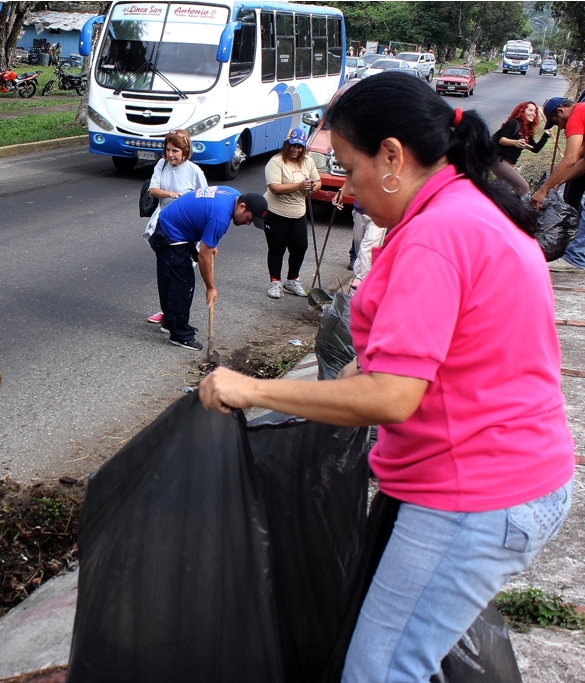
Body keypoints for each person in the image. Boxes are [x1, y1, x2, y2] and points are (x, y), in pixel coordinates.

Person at [198, 73, 575, 683]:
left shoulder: (436, 236)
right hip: (508, 475)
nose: (344, 189)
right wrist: (345, 378)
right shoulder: (466, 208)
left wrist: (253, 389)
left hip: (473, 491)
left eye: (348, 169)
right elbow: (428, 354)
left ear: (393, 156)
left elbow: (393, 396)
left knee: (382, 670)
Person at [149, 188, 267, 350]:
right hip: (172, 232)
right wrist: (210, 288)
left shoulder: (232, 195)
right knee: (181, 284)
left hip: (177, 225)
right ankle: (179, 334)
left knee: (173, 278)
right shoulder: (220, 217)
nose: (248, 223)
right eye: (250, 219)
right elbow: (204, 257)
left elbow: (205, 217)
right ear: (242, 207)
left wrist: (210, 243)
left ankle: (172, 322)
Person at [144, 129, 208, 326]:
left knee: (181, 277)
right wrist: (172, 194)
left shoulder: (194, 171)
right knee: (165, 273)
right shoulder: (161, 165)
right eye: (168, 150)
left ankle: (176, 318)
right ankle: (167, 313)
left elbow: (204, 198)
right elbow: (152, 189)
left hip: (185, 231)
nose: (170, 154)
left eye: (175, 151)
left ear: (185, 151)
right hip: (163, 227)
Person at [263, 127, 321, 299]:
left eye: (300, 146)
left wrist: (313, 187)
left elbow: (318, 181)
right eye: (293, 145)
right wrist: (300, 186)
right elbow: (274, 188)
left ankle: (292, 280)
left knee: (300, 247)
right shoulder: (276, 162)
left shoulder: (307, 162)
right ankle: (275, 282)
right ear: (287, 145)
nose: (296, 150)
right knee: (277, 248)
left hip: (298, 213)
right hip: (276, 212)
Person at [533, 97, 585, 273]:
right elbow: (582, 160)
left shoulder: (577, 114)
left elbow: (570, 158)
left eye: (556, 122)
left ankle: (576, 259)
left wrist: (543, 190)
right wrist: (558, 182)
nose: (561, 128)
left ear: (561, 111)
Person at [490, 102, 548, 196]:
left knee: (499, 189)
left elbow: (535, 149)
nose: (533, 113)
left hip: (510, 163)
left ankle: (485, 203)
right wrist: (515, 142)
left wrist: (546, 135)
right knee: (523, 187)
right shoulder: (514, 123)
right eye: (530, 110)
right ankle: (513, 208)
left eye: (535, 111)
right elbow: (498, 138)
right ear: (522, 111)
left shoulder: (526, 131)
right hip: (500, 161)